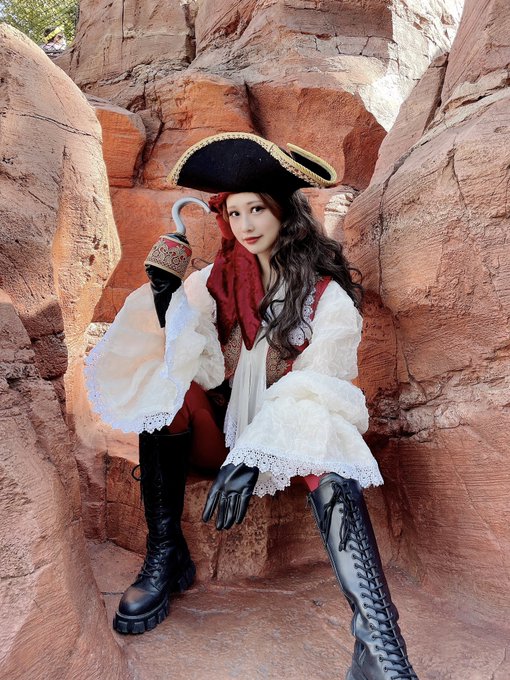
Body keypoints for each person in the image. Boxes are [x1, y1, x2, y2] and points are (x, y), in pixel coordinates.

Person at [85, 132, 417, 680]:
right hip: (221, 439)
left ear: (284, 212)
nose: (245, 224)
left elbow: (317, 388)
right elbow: (187, 360)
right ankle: (166, 553)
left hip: (283, 451)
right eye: (234, 212)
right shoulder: (215, 280)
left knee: (325, 431)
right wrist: (166, 298)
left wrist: (254, 455)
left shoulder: (326, 296)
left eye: (257, 208)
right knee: (169, 390)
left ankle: (378, 645)